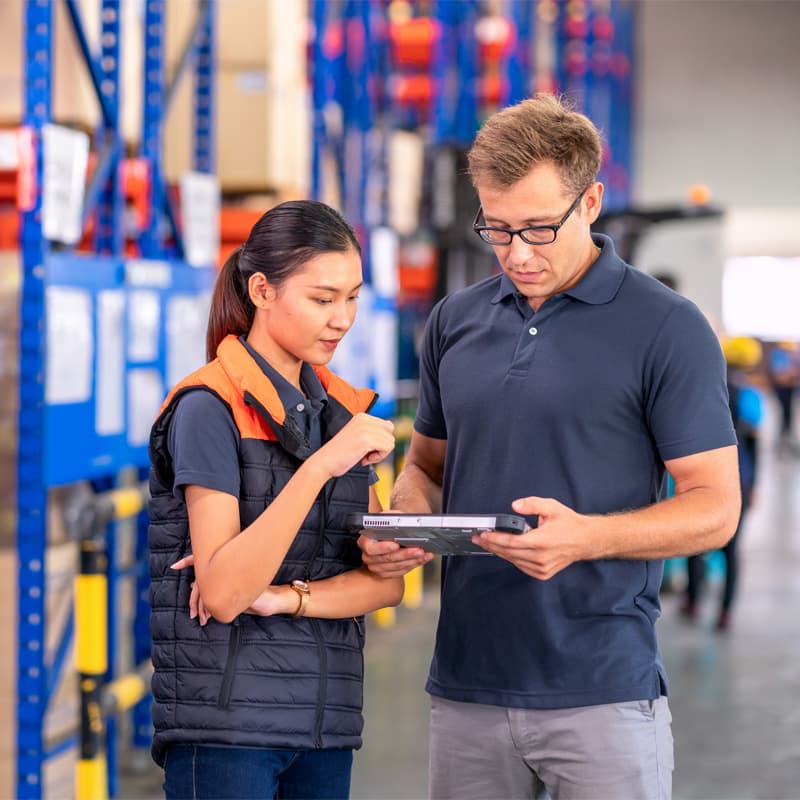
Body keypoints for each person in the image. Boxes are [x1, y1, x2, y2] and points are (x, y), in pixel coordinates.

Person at [359, 94, 740, 800]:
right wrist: (406, 521)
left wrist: (586, 538)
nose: (517, 254)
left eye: (539, 228)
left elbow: (715, 510)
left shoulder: (667, 329)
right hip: (467, 686)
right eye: (496, 230)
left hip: (601, 693)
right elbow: (428, 465)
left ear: (590, 201)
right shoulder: (455, 321)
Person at [147, 199, 402, 800]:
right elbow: (228, 592)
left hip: (326, 724)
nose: (342, 318)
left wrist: (286, 598)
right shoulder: (208, 409)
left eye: (352, 297)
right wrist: (320, 466)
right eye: (322, 299)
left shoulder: (340, 410)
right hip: (225, 730)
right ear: (262, 290)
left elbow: (383, 586)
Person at [682, 336, 763, 631]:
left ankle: (693, 600)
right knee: (731, 548)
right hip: (738, 478)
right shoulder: (750, 395)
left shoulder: (703, 388)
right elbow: (754, 443)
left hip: (698, 477)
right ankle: (725, 612)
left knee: (695, 541)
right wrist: (754, 485)